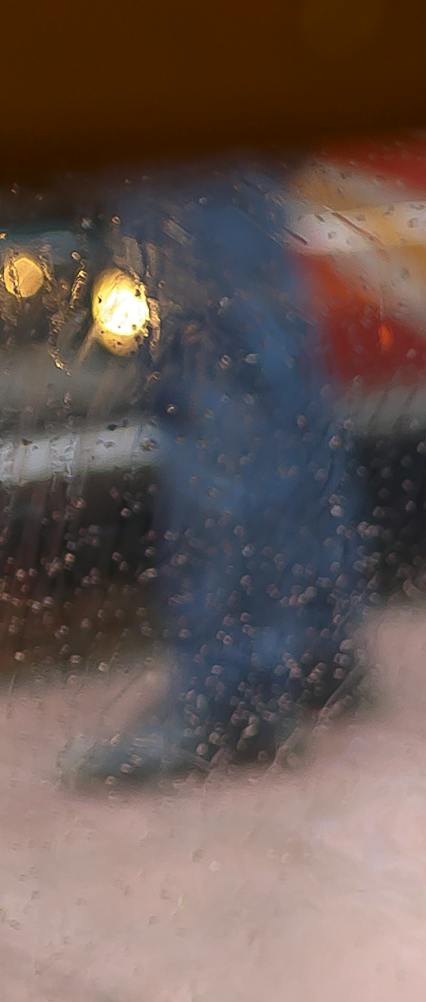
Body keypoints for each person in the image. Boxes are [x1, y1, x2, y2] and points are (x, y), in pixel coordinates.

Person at [64, 161, 371, 789]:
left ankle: (235, 691)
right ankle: (314, 648)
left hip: (176, 107)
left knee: (221, 363)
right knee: (259, 356)